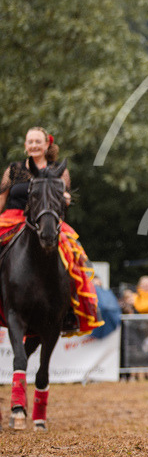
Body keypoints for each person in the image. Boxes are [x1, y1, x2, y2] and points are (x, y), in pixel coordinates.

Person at [0, 127, 102, 335]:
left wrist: (65, 199)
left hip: (46, 219)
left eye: (38, 141)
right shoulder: (14, 170)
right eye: (30, 142)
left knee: (74, 255)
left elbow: (64, 199)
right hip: (12, 218)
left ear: (47, 144)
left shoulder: (59, 170)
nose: (34, 145)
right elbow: (1, 198)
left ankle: (71, 309)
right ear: (26, 145)